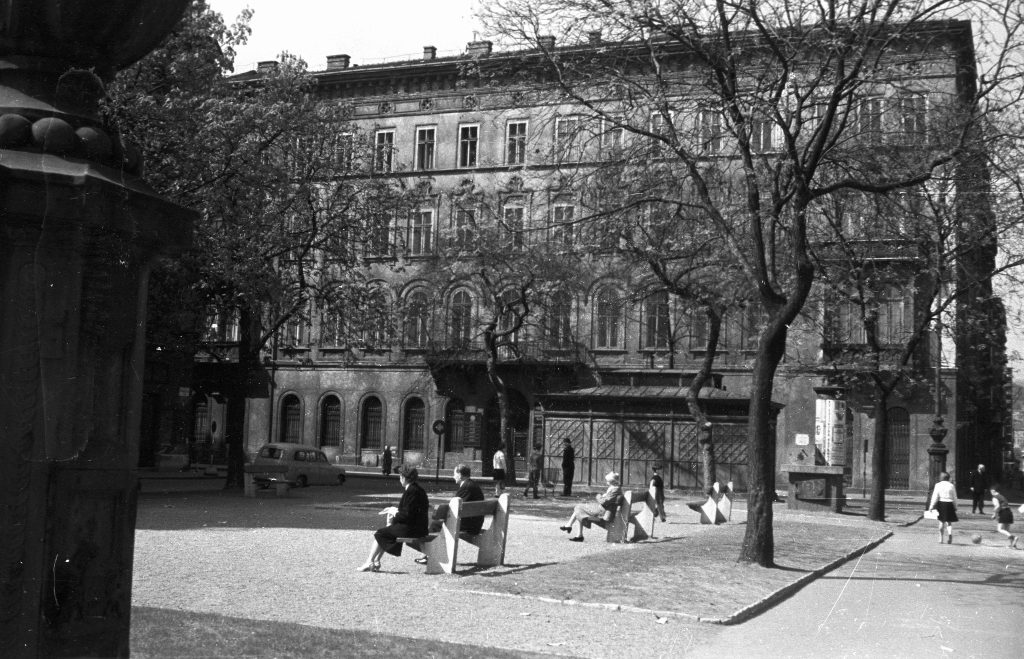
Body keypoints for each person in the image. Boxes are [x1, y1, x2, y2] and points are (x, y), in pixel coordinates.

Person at [357, 464, 429, 572]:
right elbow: (410, 512)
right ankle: (376, 561)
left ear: (404, 478)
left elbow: (407, 515)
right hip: (418, 527)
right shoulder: (417, 489)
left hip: (412, 529)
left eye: (400, 476)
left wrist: (394, 512)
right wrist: (395, 511)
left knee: (380, 533)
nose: (400, 479)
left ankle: (369, 561)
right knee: (387, 531)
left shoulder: (411, 491)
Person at [418, 464, 485, 563]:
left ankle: (427, 555)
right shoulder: (472, 485)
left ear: (460, 475)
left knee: (435, 524)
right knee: (439, 523)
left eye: (454, 474)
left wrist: (437, 509)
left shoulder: (466, 487)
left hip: (469, 525)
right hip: (474, 522)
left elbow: (452, 509)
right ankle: (429, 555)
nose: (453, 476)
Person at [559, 471, 622, 542]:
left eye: (607, 481)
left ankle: (574, 530)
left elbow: (604, 502)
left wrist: (598, 496)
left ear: (612, 481)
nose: (606, 482)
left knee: (579, 508)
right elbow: (606, 500)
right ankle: (572, 529)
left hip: (603, 512)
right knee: (579, 508)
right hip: (603, 509)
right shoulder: (614, 488)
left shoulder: (615, 489)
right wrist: (602, 497)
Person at [927, 471, 958, 544]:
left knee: (941, 521)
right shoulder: (951, 485)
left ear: (941, 477)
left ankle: (941, 538)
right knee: (949, 522)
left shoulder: (938, 485)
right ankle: (950, 534)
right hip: (950, 503)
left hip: (941, 503)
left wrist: (931, 506)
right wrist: (955, 506)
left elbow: (935, 496)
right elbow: (955, 497)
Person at [989, 482, 1017, 548]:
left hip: (1004, 512)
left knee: (999, 529)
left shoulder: (995, 497)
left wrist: (994, 514)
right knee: (1007, 530)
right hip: (1009, 512)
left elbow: (997, 506)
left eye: (991, 491)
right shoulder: (1002, 496)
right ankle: (1013, 545)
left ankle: (1014, 537)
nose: (991, 493)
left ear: (993, 491)